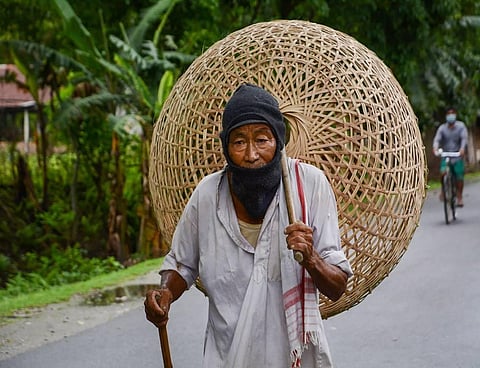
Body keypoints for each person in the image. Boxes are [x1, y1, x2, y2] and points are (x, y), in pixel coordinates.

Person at [144, 84, 353, 367]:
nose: (252, 154)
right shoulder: (208, 195)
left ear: (278, 140)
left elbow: (337, 286)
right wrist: (165, 293)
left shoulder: (310, 186)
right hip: (228, 357)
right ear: (227, 148)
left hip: (294, 358)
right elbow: (182, 264)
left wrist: (312, 258)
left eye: (262, 140)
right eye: (239, 141)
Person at [432, 107, 468, 207]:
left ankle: (459, 196)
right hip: (446, 155)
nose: (450, 116)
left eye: (452, 113)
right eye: (448, 114)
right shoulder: (442, 128)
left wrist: (462, 149)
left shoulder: (461, 127)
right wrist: (435, 148)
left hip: (457, 155)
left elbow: (464, 139)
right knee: (443, 172)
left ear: (455, 115)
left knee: (459, 177)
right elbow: (437, 140)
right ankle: (443, 191)